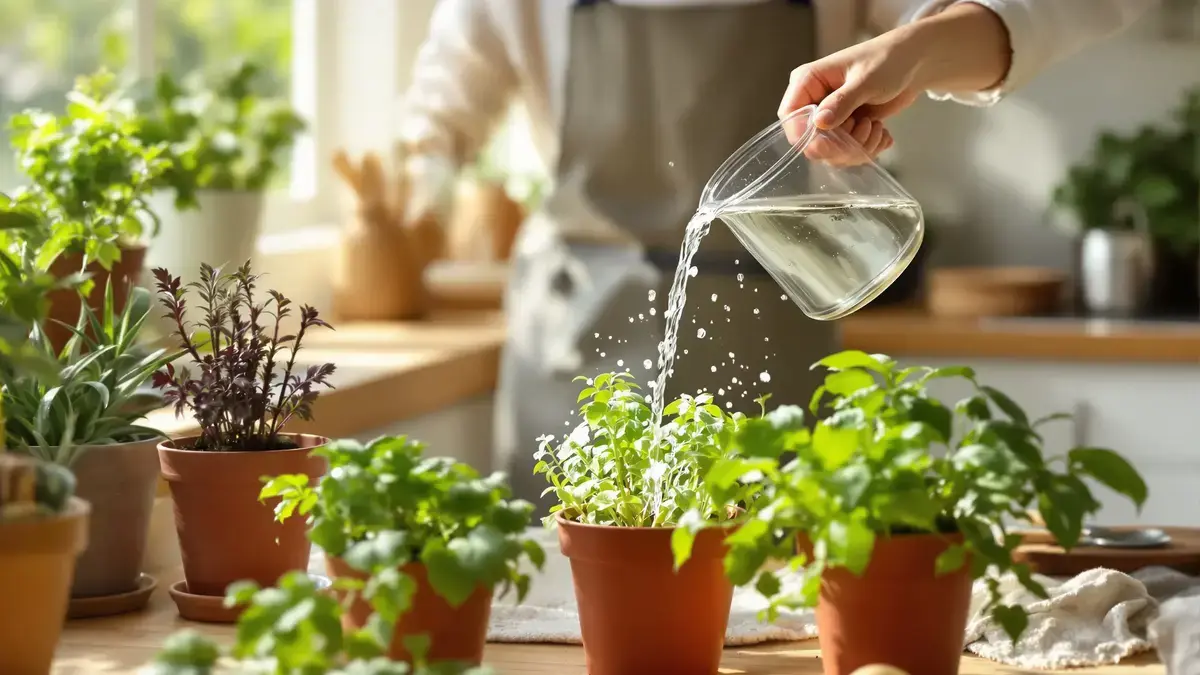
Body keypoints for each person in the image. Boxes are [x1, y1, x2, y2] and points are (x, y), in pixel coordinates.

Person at [397, 0, 1153, 511]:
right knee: (570, 581)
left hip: (775, 303)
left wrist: (911, 49)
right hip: (572, 325)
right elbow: (449, 92)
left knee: (769, 587)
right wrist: (420, 175)